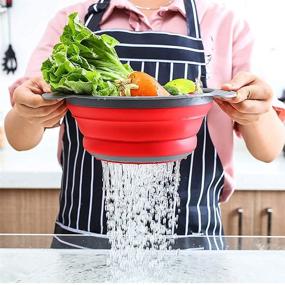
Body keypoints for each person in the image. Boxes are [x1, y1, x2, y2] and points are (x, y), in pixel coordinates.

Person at [4, 0, 285, 249]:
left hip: (193, 239)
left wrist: (257, 113)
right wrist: (29, 112)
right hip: (84, 235)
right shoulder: (74, 17)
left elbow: (269, 149)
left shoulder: (225, 24)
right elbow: (20, 138)